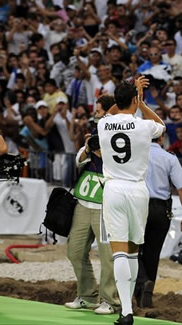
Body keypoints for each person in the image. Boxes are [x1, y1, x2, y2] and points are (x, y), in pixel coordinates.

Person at [98, 77, 166, 325]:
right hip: (137, 190)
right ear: (135, 101)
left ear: (116, 101)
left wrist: (127, 98)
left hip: (113, 189)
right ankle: (129, 309)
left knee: (118, 254)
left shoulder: (103, 125)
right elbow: (162, 126)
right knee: (134, 252)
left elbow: (112, 111)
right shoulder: (143, 125)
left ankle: (125, 311)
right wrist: (142, 103)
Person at [64, 94, 120, 315]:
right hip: (84, 202)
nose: (95, 114)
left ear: (109, 112)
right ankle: (87, 295)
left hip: (106, 204)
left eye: (98, 111)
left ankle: (111, 300)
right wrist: (89, 149)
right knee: (74, 251)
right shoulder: (95, 133)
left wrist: (103, 153)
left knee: (108, 256)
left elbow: (123, 163)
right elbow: (78, 160)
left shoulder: (120, 133)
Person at [135, 135, 182, 308]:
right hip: (161, 210)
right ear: (161, 138)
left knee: (132, 250)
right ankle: (146, 295)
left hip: (138, 205)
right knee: (152, 253)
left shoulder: (135, 154)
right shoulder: (169, 158)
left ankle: (142, 282)